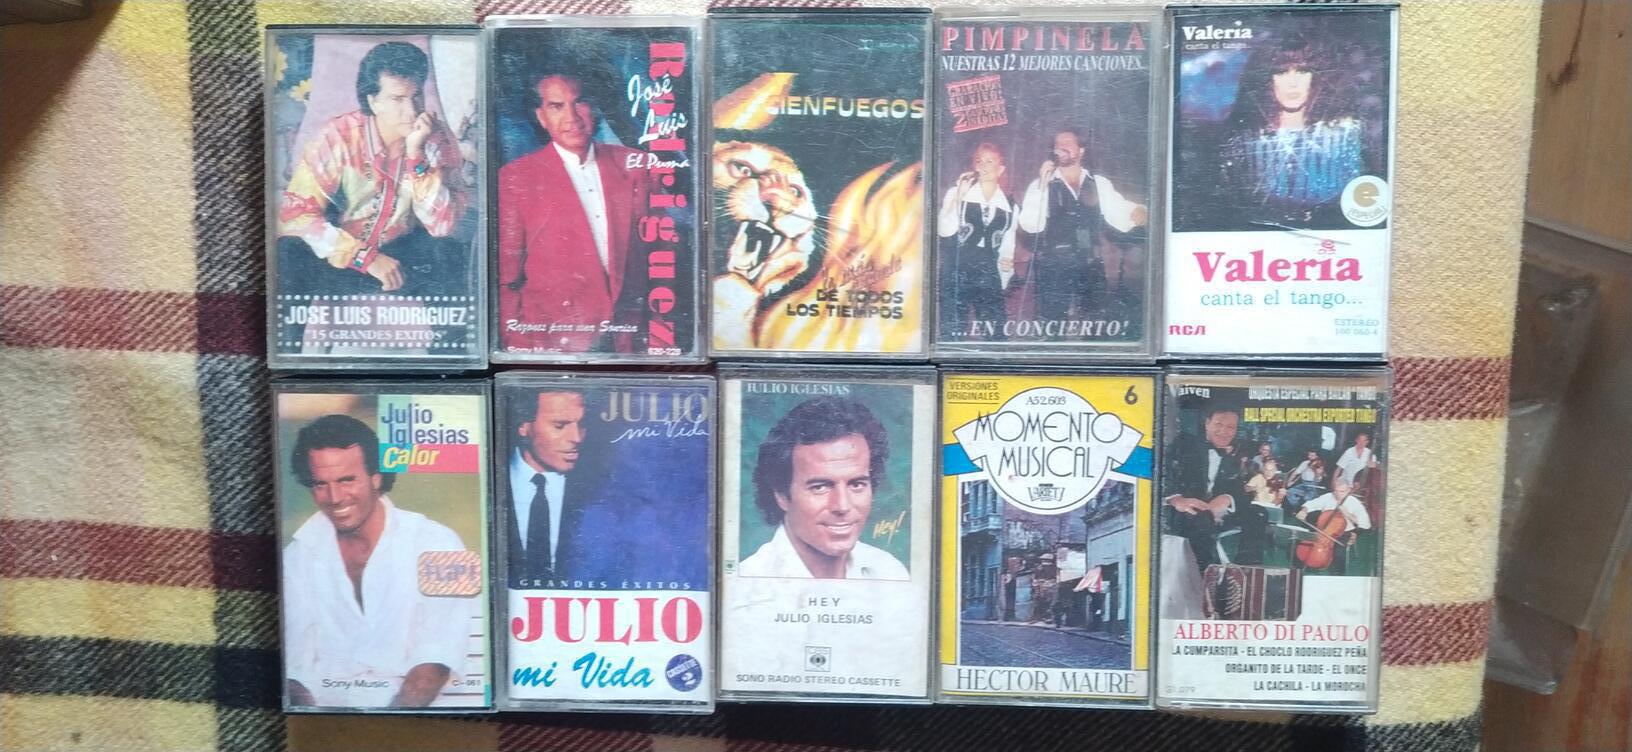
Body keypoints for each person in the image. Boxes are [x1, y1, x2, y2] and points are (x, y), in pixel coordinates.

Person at [282, 414, 472, 709]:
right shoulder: (296, 557)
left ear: (376, 477)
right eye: (320, 484)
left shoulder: (439, 542)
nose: (334, 497)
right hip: (326, 716)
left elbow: (435, 662)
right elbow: (293, 669)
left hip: (413, 716)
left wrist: (390, 725)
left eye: (347, 480)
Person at [277, 41, 469, 297]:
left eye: (416, 96)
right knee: (288, 251)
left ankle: (443, 328)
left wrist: (416, 154)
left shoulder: (435, 138)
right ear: (373, 101)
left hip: (400, 256)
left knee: (450, 253)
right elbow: (296, 215)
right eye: (397, 99)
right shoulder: (338, 137)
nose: (411, 111)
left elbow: (442, 226)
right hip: (340, 256)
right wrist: (363, 257)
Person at [497, 73, 651, 353]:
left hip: (629, 340)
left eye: (579, 102)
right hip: (555, 343)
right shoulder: (516, 178)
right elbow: (506, 280)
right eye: (557, 106)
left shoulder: (635, 164)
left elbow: (659, 256)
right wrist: (521, 344)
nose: (572, 117)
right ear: (541, 117)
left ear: (594, 107)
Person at [740, 397, 908, 580]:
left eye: (856, 484)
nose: (842, 506)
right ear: (781, 495)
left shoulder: (890, 571)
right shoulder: (749, 580)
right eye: (820, 487)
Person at [1219, 33, 1367, 227]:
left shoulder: (1344, 135)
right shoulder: (1244, 139)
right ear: (1266, 79)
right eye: (1281, 72)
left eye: (1302, 71)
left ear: (1317, 77)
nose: (1293, 83)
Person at [1016, 128, 1148, 325]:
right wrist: (1042, 185)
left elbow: (1120, 214)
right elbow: (1030, 225)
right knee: (1051, 326)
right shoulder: (1041, 184)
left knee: (1095, 325)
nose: (1061, 147)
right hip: (1054, 266)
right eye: (1057, 144)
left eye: (1067, 143)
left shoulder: (1099, 183)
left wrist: (1139, 212)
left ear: (1081, 150)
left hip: (1090, 264)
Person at [505, 389, 603, 585]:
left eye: (581, 425)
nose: (576, 437)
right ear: (524, 426)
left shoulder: (601, 488)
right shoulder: (489, 473)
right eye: (560, 425)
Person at [1162, 402, 1269, 570]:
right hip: (1184, 515)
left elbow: (1241, 491)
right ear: (1207, 423)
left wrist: (1227, 498)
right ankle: (1209, 576)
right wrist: (1176, 499)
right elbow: (1163, 473)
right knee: (1202, 520)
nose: (1224, 431)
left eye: (1230, 427)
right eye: (1219, 424)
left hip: (1215, 514)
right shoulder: (1184, 444)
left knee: (1258, 513)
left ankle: (1246, 572)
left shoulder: (1233, 456)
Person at [937, 142, 1017, 338]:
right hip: (957, 268)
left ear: (1001, 169)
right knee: (953, 332)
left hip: (988, 270)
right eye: (979, 161)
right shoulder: (957, 192)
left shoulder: (1010, 205)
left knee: (995, 332)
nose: (983, 166)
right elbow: (944, 230)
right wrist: (958, 197)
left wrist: (1005, 271)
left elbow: (1008, 242)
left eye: (990, 161)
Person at [1295, 477, 1373, 574]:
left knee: (1339, 555)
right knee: (1301, 543)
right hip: (1323, 530)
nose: (1338, 494)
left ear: (1349, 490)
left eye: (1342, 491)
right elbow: (1311, 504)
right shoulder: (1328, 497)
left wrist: (1347, 514)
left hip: (1344, 532)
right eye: (1336, 491)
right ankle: (1297, 572)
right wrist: (1304, 510)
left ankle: (1338, 575)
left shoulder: (1354, 502)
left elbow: (1365, 524)